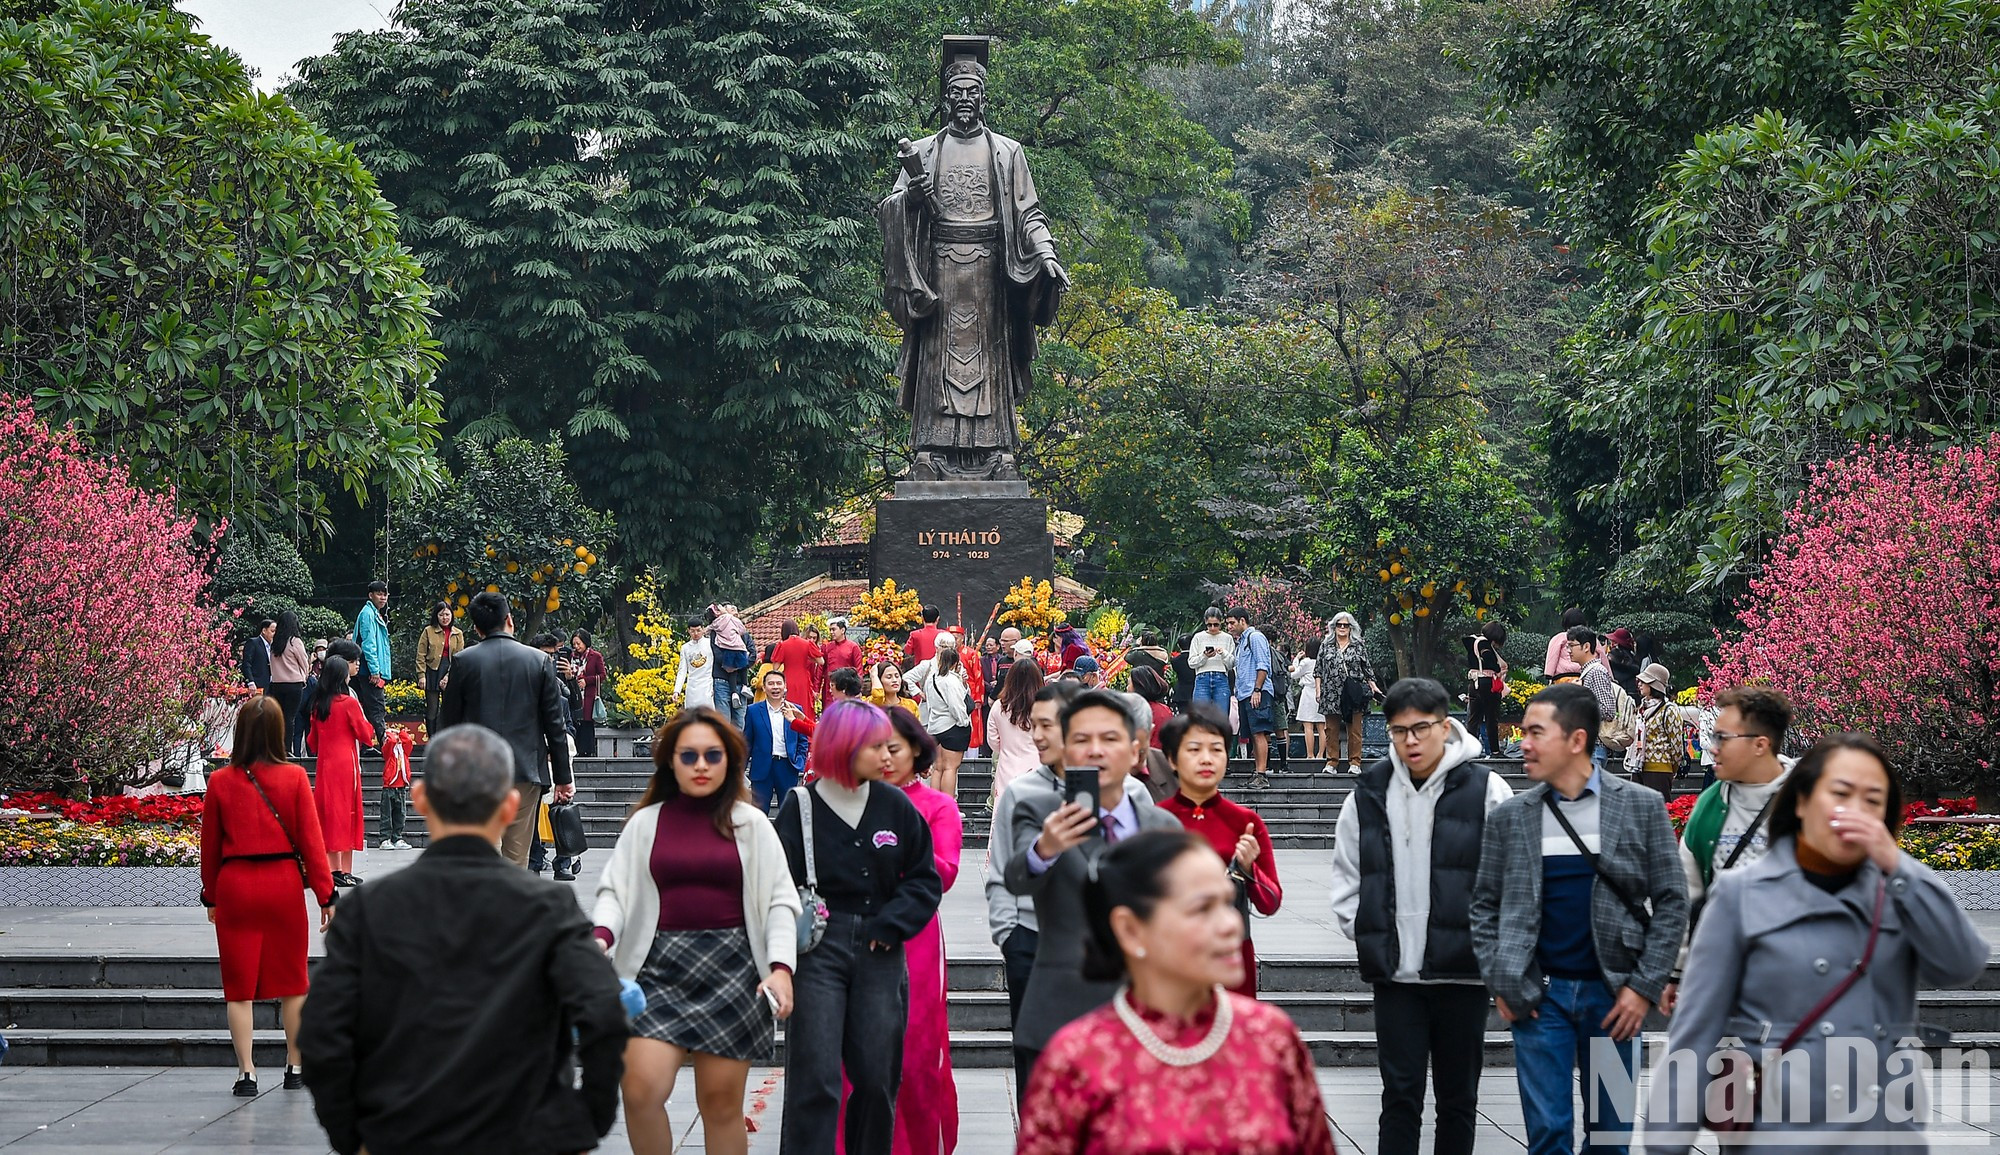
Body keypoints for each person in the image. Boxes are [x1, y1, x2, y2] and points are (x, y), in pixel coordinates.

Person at [1645, 732, 1990, 1154]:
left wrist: (1900, 865)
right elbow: (1695, 1034)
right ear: (1803, 801)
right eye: (1840, 793)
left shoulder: (1899, 891)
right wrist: (1667, 1143)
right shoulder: (1742, 894)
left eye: (1873, 800)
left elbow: (1961, 965)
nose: (1855, 811)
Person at [298, 724, 629, 1155]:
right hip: (526, 1133)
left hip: (402, 1132)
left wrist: (354, 1133)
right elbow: (604, 1012)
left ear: (420, 799)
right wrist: (584, 1120)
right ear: (510, 806)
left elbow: (324, 1034)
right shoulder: (548, 907)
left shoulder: (368, 910)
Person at [1013, 830, 1337, 1155]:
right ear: (1130, 929)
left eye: (1227, 902)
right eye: (1202, 909)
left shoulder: (1271, 1036)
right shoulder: (1077, 1059)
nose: (1231, 924)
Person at [1470, 683, 1687, 1155]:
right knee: (1547, 1134)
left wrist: (1643, 987)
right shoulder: (1512, 816)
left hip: (1613, 1001)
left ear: (1576, 740)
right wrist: (1503, 979)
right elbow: (1484, 905)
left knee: (1610, 1136)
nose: (1522, 742)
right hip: (1539, 1000)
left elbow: (1672, 901)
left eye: (1535, 732)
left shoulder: (1640, 806)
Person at [592, 707, 800, 1155]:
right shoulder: (646, 823)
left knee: (721, 1103)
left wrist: (781, 967)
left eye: (712, 755)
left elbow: (781, 900)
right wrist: (600, 938)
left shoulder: (753, 825)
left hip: (735, 971)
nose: (701, 765)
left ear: (729, 761)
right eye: (689, 756)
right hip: (655, 971)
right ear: (671, 761)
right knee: (640, 1090)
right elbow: (615, 891)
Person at [1330, 677, 1513, 1155]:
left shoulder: (1487, 790)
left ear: (1445, 725)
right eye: (1398, 731)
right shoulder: (1368, 793)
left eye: (1420, 728)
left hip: (1463, 974)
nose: (1410, 741)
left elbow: (1511, 877)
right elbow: (1348, 877)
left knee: (1458, 1101)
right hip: (1396, 977)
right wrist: (1369, 931)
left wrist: (1489, 944)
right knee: (1400, 1098)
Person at [775, 700, 945, 1155]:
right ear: (845, 747)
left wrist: (893, 924)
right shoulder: (801, 806)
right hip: (817, 950)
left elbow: (924, 879)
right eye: (876, 747)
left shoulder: (893, 805)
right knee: (817, 1079)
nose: (888, 757)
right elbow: (774, 884)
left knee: (875, 1077)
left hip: (880, 950)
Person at [1004, 689, 1182, 1091]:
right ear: (1065, 748)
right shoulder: (1039, 813)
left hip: (1150, 1018)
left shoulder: (1164, 828)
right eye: (1082, 740)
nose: (1096, 751)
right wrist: (1044, 849)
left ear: (1136, 747)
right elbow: (1017, 876)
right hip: (1062, 1013)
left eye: (1110, 739)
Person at [840, 706, 963, 1155]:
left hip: (916, 936)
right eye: (874, 749)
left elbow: (944, 872)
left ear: (916, 751)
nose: (885, 758)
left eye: (893, 748)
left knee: (914, 1047)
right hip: (851, 931)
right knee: (852, 1054)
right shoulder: (846, 801)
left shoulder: (937, 805)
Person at [201, 696, 336, 1096]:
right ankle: (295, 1066)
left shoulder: (220, 782)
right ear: (279, 732)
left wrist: (211, 896)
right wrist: (326, 895)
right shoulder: (294, 777)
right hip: (282, 885)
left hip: (237, 884)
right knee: (293, 980)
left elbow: (209, 848)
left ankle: (247, 1073)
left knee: (238, 986)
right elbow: (313, 843)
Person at [985, 679, 1092, 1095]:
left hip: (1095, 944)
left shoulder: (1124, 792)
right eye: (1037, 725)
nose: (1039, 735)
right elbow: (1001, 870)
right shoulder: (1021, 792)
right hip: (1030, 940)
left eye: (1051, 725)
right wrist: (1008, 934)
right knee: (1034, 1056)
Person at [1662, 685, 1796, 1009]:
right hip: (1725, 974)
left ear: (1760, 745)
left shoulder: (1811, 800)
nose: (1712, 748)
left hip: (1796, 976)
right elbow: (1688, 892)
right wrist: (1677, 972)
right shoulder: (1709, 803)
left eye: (1723, 738)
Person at [437, 591, 576, 867]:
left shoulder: (464, 662)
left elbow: (448, 726)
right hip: (525, 771)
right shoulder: (538, 661)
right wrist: (563, 776)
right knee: (516, 858)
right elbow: (555, 725)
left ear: (476, 628)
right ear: (509, 620)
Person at [1157, 708, 1280, 994]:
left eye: (1216, 749)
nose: (1206, 759)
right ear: (1172, 759)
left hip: (1232, 956)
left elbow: (1270, 903)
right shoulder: (1156, 820)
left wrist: (1250, 869)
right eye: (1194, 749)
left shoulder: (1246, 823)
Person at [305, 655, 372, 887]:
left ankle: (334, 868)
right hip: (346, 765)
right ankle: (344, 869)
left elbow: (312, 742)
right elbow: (366, 735)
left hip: (325, 765)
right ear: (342, 675)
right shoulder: (349, 703)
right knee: (347, 813)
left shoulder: (318, 704)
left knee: (330, 814)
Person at [908, 634, 972, 797]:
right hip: (952, 726)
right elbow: (956, 706)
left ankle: (934, 802)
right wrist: (964, 722)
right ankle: (948, 805)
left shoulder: (932, 678)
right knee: (950, 768)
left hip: (936, 725)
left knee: (938, 768)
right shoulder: (949, 679)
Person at [745, 667, 815, 812]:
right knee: (759, 812)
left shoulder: (795, 709)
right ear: (764, 687)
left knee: (788, 812)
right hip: (762, 769)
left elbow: (802, 740)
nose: (775, 687)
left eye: (779, 683)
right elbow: (747, 742)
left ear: (785, 687)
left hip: (787, 767)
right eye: (771, 684)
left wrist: (799, 761)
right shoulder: (753, 711)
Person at [1321, 612, 1380, 775]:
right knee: (1331, 729)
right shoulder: (1326, 645)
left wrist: (1373, 687)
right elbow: (1319, 669)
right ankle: (1331, 762)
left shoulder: (1358, 645)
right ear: (1333, 626)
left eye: (1345, 625)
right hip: (1331, 692)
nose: (1342, 628)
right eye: (1339, 625)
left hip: (1353, 692)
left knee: (1354, 729)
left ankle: (1355, 762)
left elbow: (1367, 668)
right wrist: (1319, 691)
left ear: (1350, 627)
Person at [1222, 607, 1273, 776]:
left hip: (1256, 692)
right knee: (1253, 734)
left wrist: (1257, 689)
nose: (1229, 627)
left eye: (1231, 623)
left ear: (1242, 621)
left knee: (1259, 732)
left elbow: (1263, 665)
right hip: (1244, 694)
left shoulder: (1255, 637)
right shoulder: (1241, 642)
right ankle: (1257, 772)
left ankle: (1261, 773)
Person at [1568, 626, 1624, 772]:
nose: (1569, 650)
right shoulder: (1588, 672)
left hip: (1595, 747)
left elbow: (1608, 710)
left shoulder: (1596, 672)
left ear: (1586, 646)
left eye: (1572, 645)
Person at [987, 656, 1044, 798]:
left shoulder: (999, 706)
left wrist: (1006, 748)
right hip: (1037, 765)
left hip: (1007, 765)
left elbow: (993, 741)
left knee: (1005, 812)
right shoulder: (1045, 706)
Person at [1630, 663, 1684, 796]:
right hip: (1638, 767)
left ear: (1654, 685)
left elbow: (1677, 746)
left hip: (1660, 769)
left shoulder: (1669, 710)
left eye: (1644, 681)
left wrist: (1673, 769)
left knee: (1660, 811)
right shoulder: (1642, 709)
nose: (1639, 684)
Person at [416, 601, 464, 739]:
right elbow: (421, 655)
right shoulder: (428, 631)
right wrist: (421, 675)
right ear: (436, 616)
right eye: (441, 614)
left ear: (452, 616)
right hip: (432, 671)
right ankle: (432, 739)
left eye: (447, 614)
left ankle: (448, 739)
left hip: (450, 671)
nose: (445, 618)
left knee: (449, 708)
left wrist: (449, 676)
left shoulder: (458, 633)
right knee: (432, 709)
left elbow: (459, 657)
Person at [353, 580, 391, 749]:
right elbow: (369, 645)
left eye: (385, 594)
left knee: (370, 708)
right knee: (377, 708)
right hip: (369, 670)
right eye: (379, 594)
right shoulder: (368, 614)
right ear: (371, 595)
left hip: (369, 669)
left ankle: (368, 745)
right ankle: (385, 745)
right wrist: (375, 671)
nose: (383, 597)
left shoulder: (373, 613)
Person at [1465, 622, 1508, 757]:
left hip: (1474, 682)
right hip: (1487, 683)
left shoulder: (1472, 642)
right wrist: (1496, 667)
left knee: (1473, 719)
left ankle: (1469, 751)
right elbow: (1491, 661)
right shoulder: (1485, 645)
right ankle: (1495, 750)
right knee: (1491, 717)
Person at [267, 611, 309, 749]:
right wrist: (304, 677)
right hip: (294, 684)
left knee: (278, 717)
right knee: (290, 718)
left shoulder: (274, 644)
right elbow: (304, 662)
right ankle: (287, 748)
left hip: (277, 684)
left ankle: (276, 747)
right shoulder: (294, 641)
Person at [709, 603, 752, 727]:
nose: (735, 613)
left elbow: (752, 654)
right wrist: (733, 663)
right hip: (722, 681)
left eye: (736, 611)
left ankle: (736, 746)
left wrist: (741, 663)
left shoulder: (744, 634)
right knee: (724, 723)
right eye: (731, 610)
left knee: (739, 723)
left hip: (741, 684)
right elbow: (716, 654)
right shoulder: (716, 631)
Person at [1186, 610, 1234, 716]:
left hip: (1221, 678)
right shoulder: (1198, 637)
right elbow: (1191, 662)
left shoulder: (1228, 638)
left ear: (1221, 622)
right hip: (1202, 678)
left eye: (1216, 625)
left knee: (1221, 717)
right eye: (1209, 625)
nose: (1212, 628)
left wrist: (1223, 654)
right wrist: (1204, 656)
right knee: (1199, 717)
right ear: (1205, 623)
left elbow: (1231, 664)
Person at [772, 620, 825, 716]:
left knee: (788, 707)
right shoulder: (807, 643)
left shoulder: (782, 645)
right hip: (804, 680)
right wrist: (807, 659)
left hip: (788, 679)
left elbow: (775, 667)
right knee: (804, 707)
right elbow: (821, 661)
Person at [570, 629, 607, 756]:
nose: (576, 647)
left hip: (588, 694)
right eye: (574, 644)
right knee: (575, 721)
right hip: (574, 694)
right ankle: (577, 749)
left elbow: (602, 675)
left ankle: (588, 750)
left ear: (585, 642)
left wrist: (587, 681)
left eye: (578, 643)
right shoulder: (571, 656)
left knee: (587, 722)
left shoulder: (595, 656)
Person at [378, 724, 415, 850]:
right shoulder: (388, 751)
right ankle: (385, 838)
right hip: (389, 787)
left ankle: (397, 837)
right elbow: (392, 741)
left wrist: (401, 732)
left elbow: (408, 740)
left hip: (401, 787)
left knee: (400, 814)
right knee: (386, 815)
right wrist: (389, 733)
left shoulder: (404, 751)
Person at [290, 640, 327, 757]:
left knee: (309, 733)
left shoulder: (328, 664)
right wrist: (309, 662)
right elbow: (303, 676)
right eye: (319, 649)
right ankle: (297, 755)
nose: (321, 652)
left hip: (312, 706)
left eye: (323, 649)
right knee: (298, 732)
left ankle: (311, 755)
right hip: (302, 705)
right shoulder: (310, 667)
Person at [675, 615, 717, 714]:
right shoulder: (685, 648)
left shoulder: (710, 643)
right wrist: (677, 690)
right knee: (691, 715)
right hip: (692, 686)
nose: (696, 634)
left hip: (707, 685)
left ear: (703, 629)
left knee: (708, 715)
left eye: (698, 630)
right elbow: (682, 670)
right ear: (688, 631)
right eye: (693, 631)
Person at [1292, 639, 1324, 761]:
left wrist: (1296, 659)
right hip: (1321, 693)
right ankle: (1321, 754)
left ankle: (1310, 755)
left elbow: (1294, 674)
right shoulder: (1323, 661)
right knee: (1322, 727)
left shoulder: (1306, 662)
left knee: (1308, 726)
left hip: (1308, 694)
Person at [1128, 667, 1173, 751]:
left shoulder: (1141, 711)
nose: (1127, 689)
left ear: (1138, 687)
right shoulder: (1164, 709)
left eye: (1129, 684)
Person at [822, 617, 865, 698]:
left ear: (842, 630)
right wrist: (816, 689)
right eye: (830, 630)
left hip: (847, 689)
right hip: (829, 690)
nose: (831, 632)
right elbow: (821, 670)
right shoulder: (827, 647)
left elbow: (858, 670)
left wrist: (857, 690)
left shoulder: (853, 647)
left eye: (834, 629)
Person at [1542, 607, 1587, 682]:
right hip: (1583, 677)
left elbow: (1552, 655)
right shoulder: (1589, 637)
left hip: (1562, 678)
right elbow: (1601, 653)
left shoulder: (1559, 637)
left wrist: (1548, 674)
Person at [241, 618, 274, 692]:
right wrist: (250, 681)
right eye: (272, 631)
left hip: (270, 685)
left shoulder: (273, 646)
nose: (274, 634)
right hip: (256, 684)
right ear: (264, 631)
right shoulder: (253, 642)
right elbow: (246, 663)